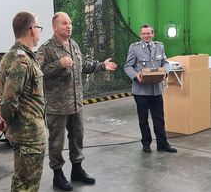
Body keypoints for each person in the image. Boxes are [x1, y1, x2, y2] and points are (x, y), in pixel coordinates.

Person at [37, 12, 117, 191]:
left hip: (76, 103)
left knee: (77, 137)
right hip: (57, 106)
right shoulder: (46, 48)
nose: (69, 26)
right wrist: (59, 64)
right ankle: (58, 174)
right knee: (57, 142)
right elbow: (37, 71)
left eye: (70, 23)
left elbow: (82, 66)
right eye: (64, 23)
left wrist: (102, 66)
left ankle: (77, 169)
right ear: (55, 27)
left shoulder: (73, 44)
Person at [0, 11, 45, 192]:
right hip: (28, 135)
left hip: (27, 132)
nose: (39, 32)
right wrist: (8, 120)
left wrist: (6, 118)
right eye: (38, 27)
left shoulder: (17, 55)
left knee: (24, 182)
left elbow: (16, 98)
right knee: (27, 185)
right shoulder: (21, 60)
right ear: (32, 29)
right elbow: (9, 101)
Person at [124, 24, 177, 153]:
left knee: (159, 119)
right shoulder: (134, 48)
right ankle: (146, 144)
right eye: (144, 33)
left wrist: (165, 72)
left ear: (153, 34)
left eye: (149, 33)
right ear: (140, 35)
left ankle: (162, 145)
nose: (146, 35)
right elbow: (128, 66)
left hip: (156, 90)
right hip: (140, 90)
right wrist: (136, 76)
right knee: (143, 120)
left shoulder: (159, 46)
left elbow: (165, 62)